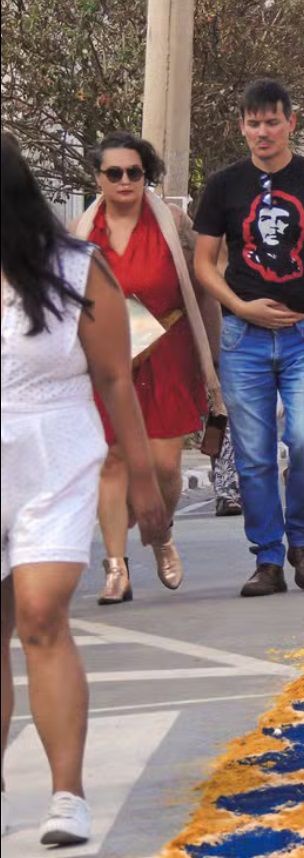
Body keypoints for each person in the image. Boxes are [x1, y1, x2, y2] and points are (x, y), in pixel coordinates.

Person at [2, 131, 167, 846]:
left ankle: (66, 795)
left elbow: (113, 379)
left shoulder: (75, 266)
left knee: (39, 613)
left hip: (55, 452)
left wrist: (141, 482)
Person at [193, 79, 304, 598]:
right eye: (252, 122)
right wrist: (240, 307)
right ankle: (267, 558)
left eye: (271, 121)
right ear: (241, 126)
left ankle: (303, 543)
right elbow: (203, 262)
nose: (262, 132)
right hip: (243, 336)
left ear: (291, 122)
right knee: (254, 453)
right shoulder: (223, 186)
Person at [72, 133, 221, 604]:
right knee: (112, 460)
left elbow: (206, 274)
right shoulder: (83, 231)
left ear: (146, 176)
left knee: (163, 467)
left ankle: (160, 534)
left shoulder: (172, 222)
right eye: (113, 173)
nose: (124, 181)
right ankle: (115, 567)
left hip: (168, 353)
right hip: (109, 361)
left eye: (134, 172)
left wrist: (214, 354)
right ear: (98, 178)